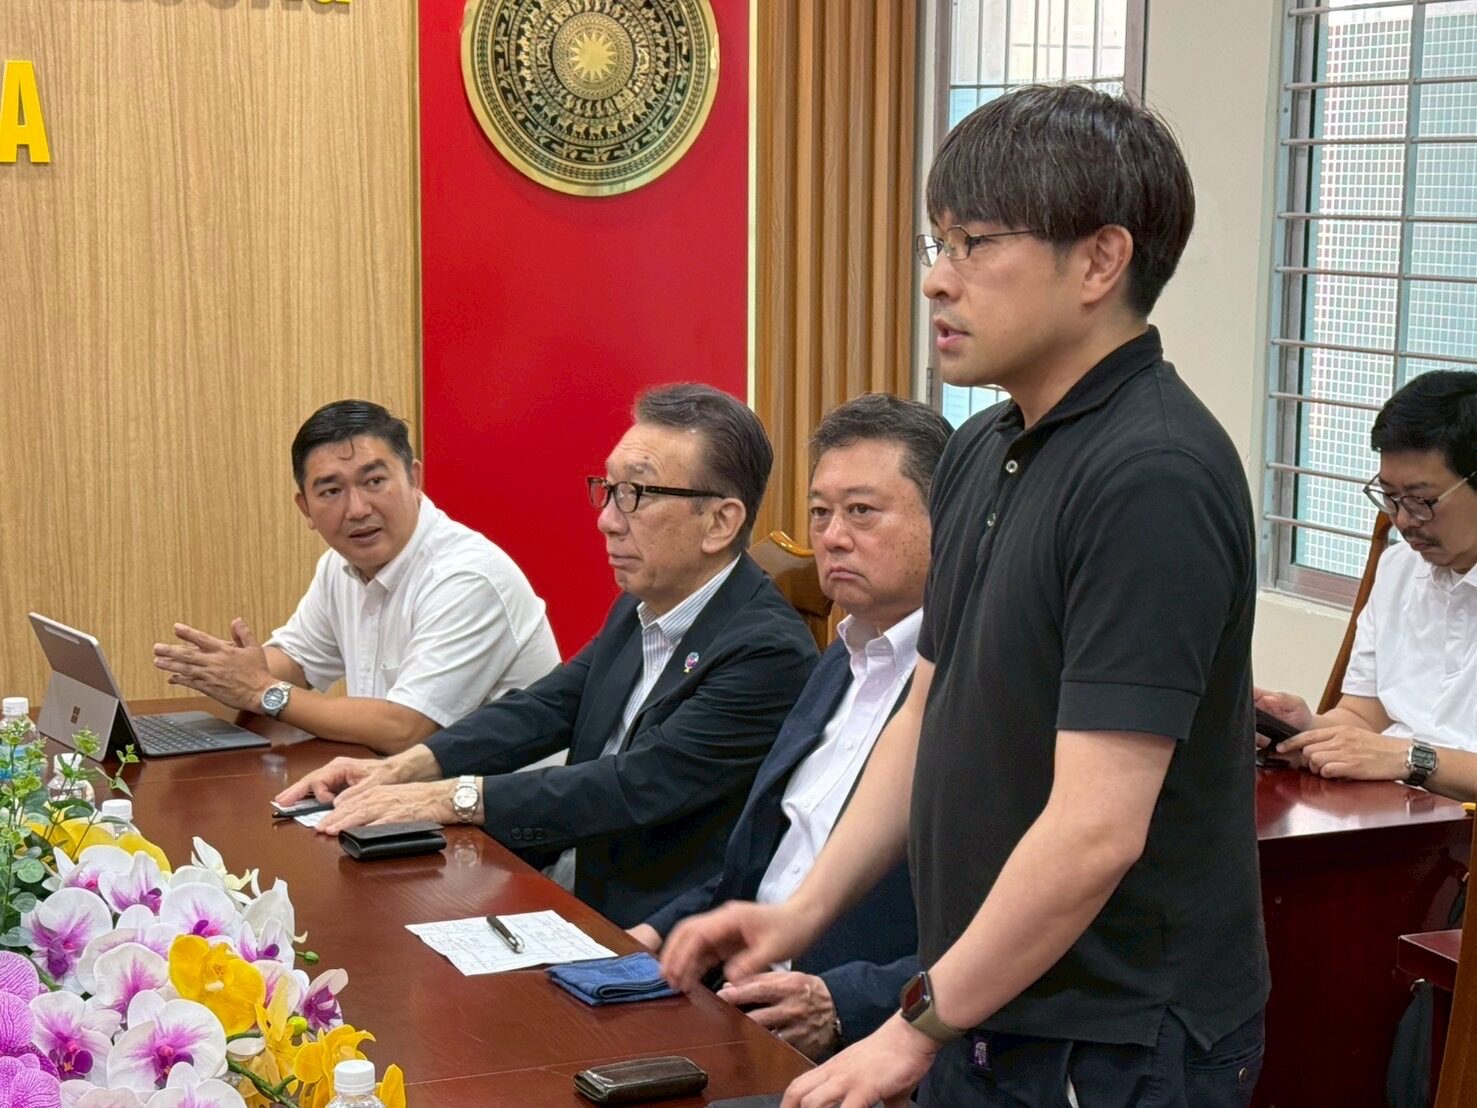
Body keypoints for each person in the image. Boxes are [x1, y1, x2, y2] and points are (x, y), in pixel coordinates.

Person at [662, 85, 1269, 1107]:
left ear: (1099, 260)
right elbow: (926, 711)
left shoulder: (1151, 474)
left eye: (975, 243)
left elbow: (1095, 830)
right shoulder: (988, 444)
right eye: (935, 243)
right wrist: (804, 910)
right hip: (985, 1005)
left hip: (1112, 1038)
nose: (936, 279)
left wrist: (914, 1029)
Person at [274, 384, 819, 926]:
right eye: (609, 489)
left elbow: (635, 784)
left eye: (637, 494)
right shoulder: (643, 605)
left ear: (720, 522)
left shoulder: (766, 651)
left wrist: (447, 798)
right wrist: (400, 769)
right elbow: (546, 706)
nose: (607, 519)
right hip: (573, 873)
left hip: (659, 924)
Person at [629, 393, 948, 1060]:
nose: (831, 536)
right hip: (733, 997)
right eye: (820, 512)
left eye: (861, 511)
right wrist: (658, 933)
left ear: (946, 518)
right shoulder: (838, 662)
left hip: (862, 1041)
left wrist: (846, 1006)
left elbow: (1006, 930)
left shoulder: (975, 691)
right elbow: (763, 863)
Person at [153, 399, 559, 755]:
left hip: (497, 810)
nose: (358, 509)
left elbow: (406, 729)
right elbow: (297, 662)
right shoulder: (339, 566)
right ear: (306, 509)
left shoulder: (467, 578)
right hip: (393, 789)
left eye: (374, 481)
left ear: (414, 480)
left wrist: (260, 689)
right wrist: (236, 669)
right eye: (331, 491)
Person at [1261, 371, 1477, 801]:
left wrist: (1412, 759)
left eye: (1421, 500)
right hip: (1395, 813)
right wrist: (1305, 729)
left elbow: (1392, 751)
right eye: (1390, 497)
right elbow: (1365, 716)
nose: (1403, 520)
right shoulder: (1399, 569)